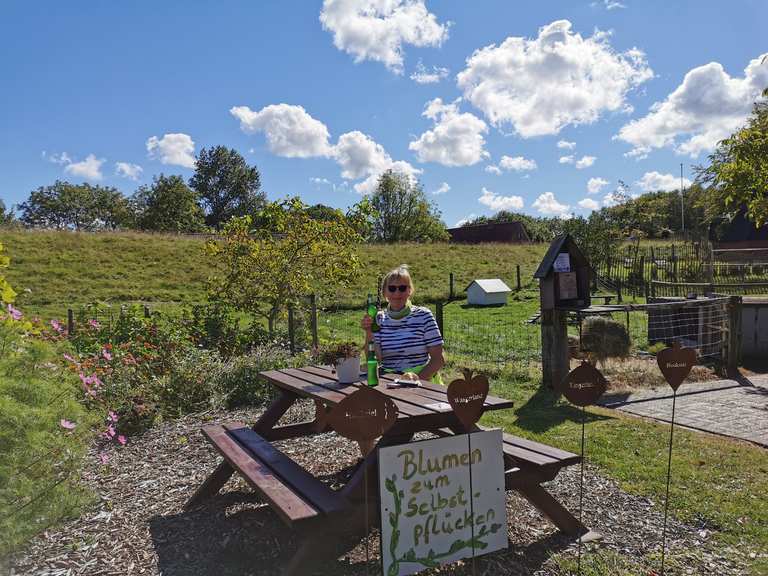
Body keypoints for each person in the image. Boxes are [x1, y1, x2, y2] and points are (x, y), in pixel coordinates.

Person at [361, 264, 445, 384]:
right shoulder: (378, 319)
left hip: (423, 381)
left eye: (402, 288)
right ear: (384, 293)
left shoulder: (424, 315)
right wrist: (369, 332)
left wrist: (416, 381)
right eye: (392, 288)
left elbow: (438, 359)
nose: (397, 293)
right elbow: (376, 359)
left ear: (409, 291)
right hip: (390, 382)